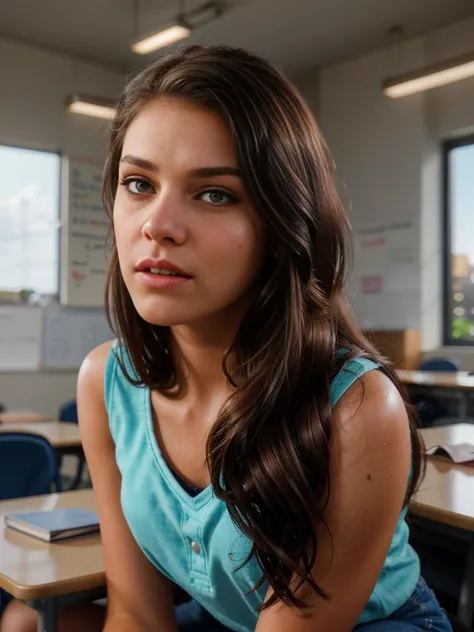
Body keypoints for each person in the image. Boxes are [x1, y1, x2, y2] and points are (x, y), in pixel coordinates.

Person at [1, 45, 453, 632]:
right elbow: (137, 613)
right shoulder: (105, 382)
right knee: (27, 622)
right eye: (138, 183)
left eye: (214, 194)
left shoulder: (357, 410)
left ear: (282, 221)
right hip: (231, 619)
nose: (156, 225)